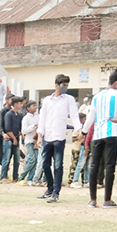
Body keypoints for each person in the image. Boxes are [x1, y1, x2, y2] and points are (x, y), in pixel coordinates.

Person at [84, 69, 117, 208]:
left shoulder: (97, 96)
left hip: (97, 135)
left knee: (94, 165)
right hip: (111, 132)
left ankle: (92, 199)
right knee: (110, 166)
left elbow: (90, 117)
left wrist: (83, 131)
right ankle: (107, 199)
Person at [36, 74, 81, 203]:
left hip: (59, 136)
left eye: (67, 85)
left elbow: (74, 115)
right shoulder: (47, 100)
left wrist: (79, 129)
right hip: (47, 136)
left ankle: (56, 192)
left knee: (57, 165)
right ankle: (49, 189)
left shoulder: (69, 99)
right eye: (63, 85)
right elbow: (42, 118)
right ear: (56, 85)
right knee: (45, 164)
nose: (65, 87)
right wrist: (40, 135)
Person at [0, 95, 25, 183]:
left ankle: (15, 176)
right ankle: (3, 176)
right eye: (20, 103)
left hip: (16, 138)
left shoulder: (20, 114)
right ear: (15, 104)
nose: (21, 105)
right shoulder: (8, 114)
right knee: (6, 158)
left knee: (17, 159)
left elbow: (20, 128)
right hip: (9, 139)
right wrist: (14, 138)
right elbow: (8, 129)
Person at [17, 100, 39, 185]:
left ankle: (30, 178)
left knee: (36, 160)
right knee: (32, 160)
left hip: (36, 141)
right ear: (28, 108)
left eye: (35, 105)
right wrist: (34, 126)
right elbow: (24, 131)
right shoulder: (26, 118)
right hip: (29, 141)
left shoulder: (38, 117)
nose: (35, 107)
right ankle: (22, 176)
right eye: (33, 105)